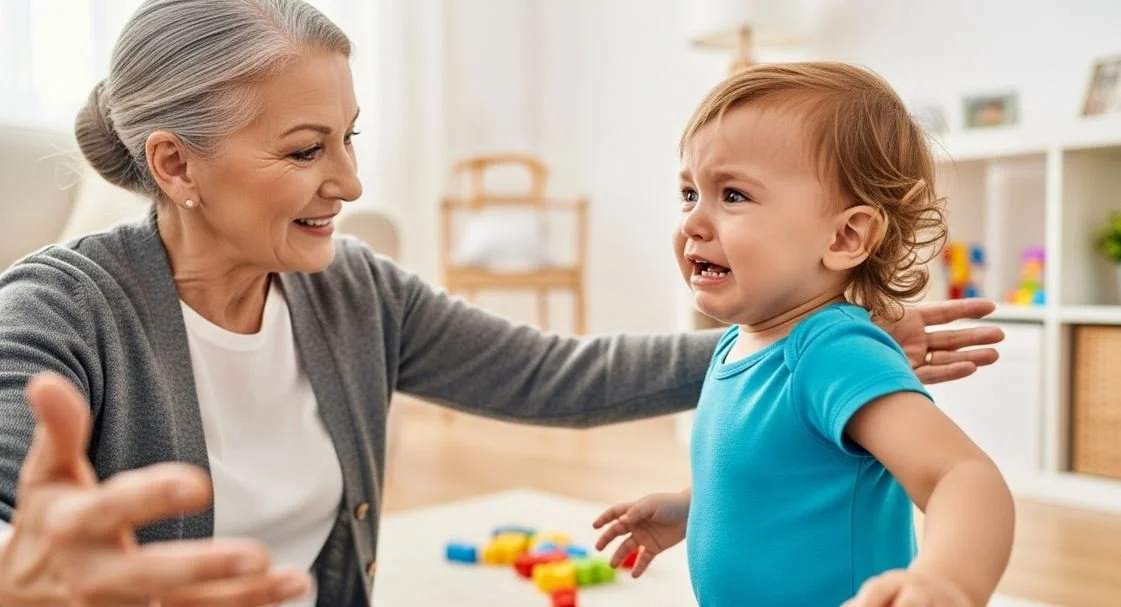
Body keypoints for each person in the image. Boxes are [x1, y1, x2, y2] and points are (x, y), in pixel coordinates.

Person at [0, 2, 1005, 606]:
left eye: (351, 137)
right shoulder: (58, 312)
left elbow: (550, 375)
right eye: (306, 149)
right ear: (176, 165)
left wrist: (801, 341)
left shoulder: (353, 293)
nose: (350, 182)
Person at [592, 63, 1015, 607]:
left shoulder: (833, 353)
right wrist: (690, 506)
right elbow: (772, 474)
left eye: (734, 195)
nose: (693, 222)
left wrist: (946, 581)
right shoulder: (738, 343)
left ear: (844, 236)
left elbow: (962, 474)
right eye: (689, 192)